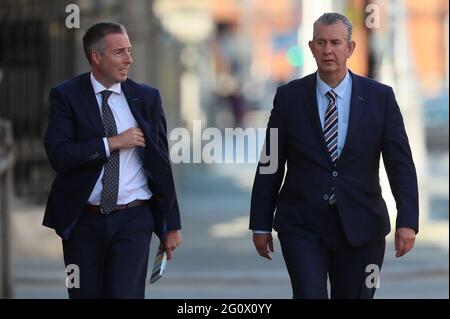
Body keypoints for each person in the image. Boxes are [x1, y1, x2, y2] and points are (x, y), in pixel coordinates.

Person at [249, 13, 418, 299]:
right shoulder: (289, 98)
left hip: (363, 228)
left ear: (350, 48)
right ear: (312, 47)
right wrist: (260, 222)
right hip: (302, 226)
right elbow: (271, 163)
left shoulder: (380, 98)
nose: (328, 50)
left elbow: (399, 163)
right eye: (321, 42)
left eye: (336, 43)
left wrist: (408, 220)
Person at [42, 22, 181, 299]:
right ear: (96, 56)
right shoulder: (66, 96)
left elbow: (161, 164)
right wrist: (112, 143)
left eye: (129, 50)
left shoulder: (147, 98)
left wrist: (172, 225)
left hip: (134, 218)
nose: (129, 59)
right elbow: (60, 156)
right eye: (119, 52)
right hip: (83, 223)